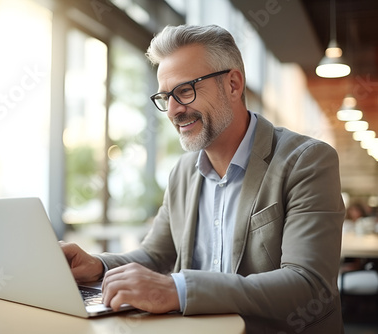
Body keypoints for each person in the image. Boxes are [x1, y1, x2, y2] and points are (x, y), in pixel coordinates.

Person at [60, 24, 345, 333]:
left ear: (233, 85)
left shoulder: (306, 160)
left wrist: (179, 290)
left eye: (185, 91)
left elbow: (308, 284)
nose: (173, 111)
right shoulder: (182, 172)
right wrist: (98, 266)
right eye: (165, 97)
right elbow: (155, 256)